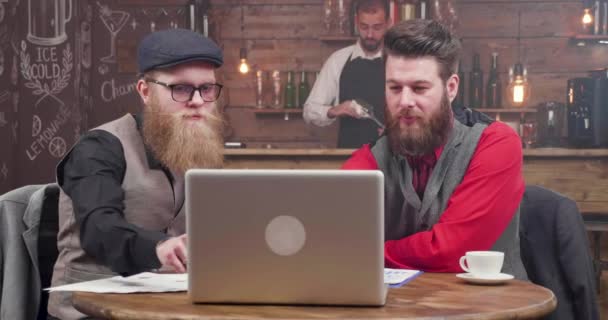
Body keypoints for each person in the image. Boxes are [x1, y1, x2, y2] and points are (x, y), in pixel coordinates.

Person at [47, 28, 225, 320]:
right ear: (145, 91)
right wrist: (158, 248)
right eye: (180, 89)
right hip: (86, 309)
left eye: (206, 89)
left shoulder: (199, 148)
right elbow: (99, 227)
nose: (197, 100)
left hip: (163, 306)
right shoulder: (99, 147)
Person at [342, 19, 528, 278]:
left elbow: (451, 251)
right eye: (394, 88)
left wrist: (369, 253)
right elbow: (335, 241)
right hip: (400, 312)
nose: (404, 101)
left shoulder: (495, 144)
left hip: (491, 312)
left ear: (451, 88)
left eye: (419, 88)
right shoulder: (371, 158)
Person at [303, 0, 391, 148]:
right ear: (356, 21)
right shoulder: (338, 60)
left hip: (391, 158)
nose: (370, 34)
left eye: (377, 27)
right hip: (348, 157)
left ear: (388, 23)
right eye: (364, 27)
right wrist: (334, 110)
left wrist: (398, 132)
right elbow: (309, 111)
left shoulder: (398, 60)